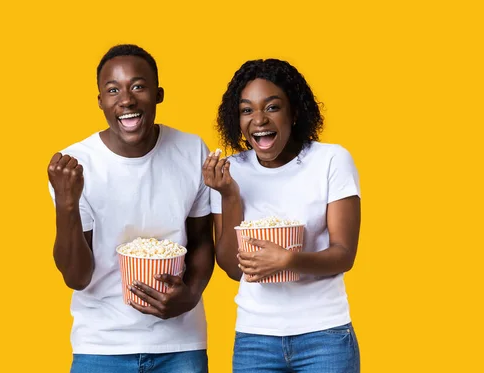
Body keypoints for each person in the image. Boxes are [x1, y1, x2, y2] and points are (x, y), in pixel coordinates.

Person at [47, 44, 214, 373]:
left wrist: (190, 295)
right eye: (113, 90)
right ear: (100, 101)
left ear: (158, 94)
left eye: (138, 86)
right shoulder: (76, 164)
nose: (126, 100)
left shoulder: (192, 150)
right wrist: (67, 204)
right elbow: (76, 277)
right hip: (101, 345)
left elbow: (202, 241)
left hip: (181, 345)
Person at [203, 58, 361, 372]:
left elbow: (344, 255)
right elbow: (233, 269)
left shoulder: (331, 161)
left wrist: (290, 259)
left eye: (272, 107)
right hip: (255, 338)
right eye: (247, 110)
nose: (258, 120)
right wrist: (229, 194)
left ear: (295, 111)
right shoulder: (229, 172)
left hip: (324, 334)